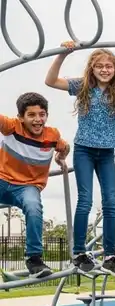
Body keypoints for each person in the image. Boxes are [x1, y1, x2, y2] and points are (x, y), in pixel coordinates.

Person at [45, 41, 115, 275]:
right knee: (85, 200)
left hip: (106, 154)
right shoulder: (82, 86)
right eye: (99, 66)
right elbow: (51, 81)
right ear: (91, 69)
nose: (104, 70)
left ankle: (110, 255)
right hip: (84, 151)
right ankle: (79, 252)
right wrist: (62, 54)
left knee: (111, 203)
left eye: (109, 66)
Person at [0, 93, 69, 278]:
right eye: (31, 115)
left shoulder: (52, 135)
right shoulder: (11, 126)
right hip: (2, 179)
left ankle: (34, 259)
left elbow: (64, 146)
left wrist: (60, 157)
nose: (38, 120)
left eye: (42, 114)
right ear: (21, 117)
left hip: (27, 186)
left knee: (33, 206)